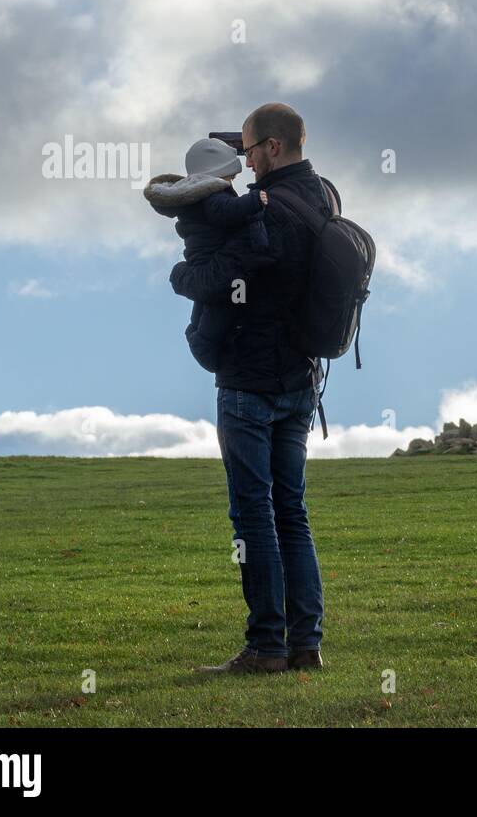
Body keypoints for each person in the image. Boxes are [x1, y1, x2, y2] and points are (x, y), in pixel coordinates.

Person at [169, 102, 330, 675]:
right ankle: (305, 643)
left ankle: (266, 645)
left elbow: (220, 278)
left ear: (274, 147)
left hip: (250, 381)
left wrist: (179, 276)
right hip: (302, 378)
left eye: (249, 148)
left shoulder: (270, 210)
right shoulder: (321, 197)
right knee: (292, 510)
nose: (245, 160)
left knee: (254, 515)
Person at [144, 138, 271, 372]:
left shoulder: (194, 192)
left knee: (207, 303)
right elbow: (224, 213)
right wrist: (254, 201)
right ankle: (205, 345)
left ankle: (197, 333)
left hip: (200, 258)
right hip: (213, 257)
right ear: (219, 170)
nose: (232, 183)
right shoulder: (212, 192)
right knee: (225, 305)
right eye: (231, 177)